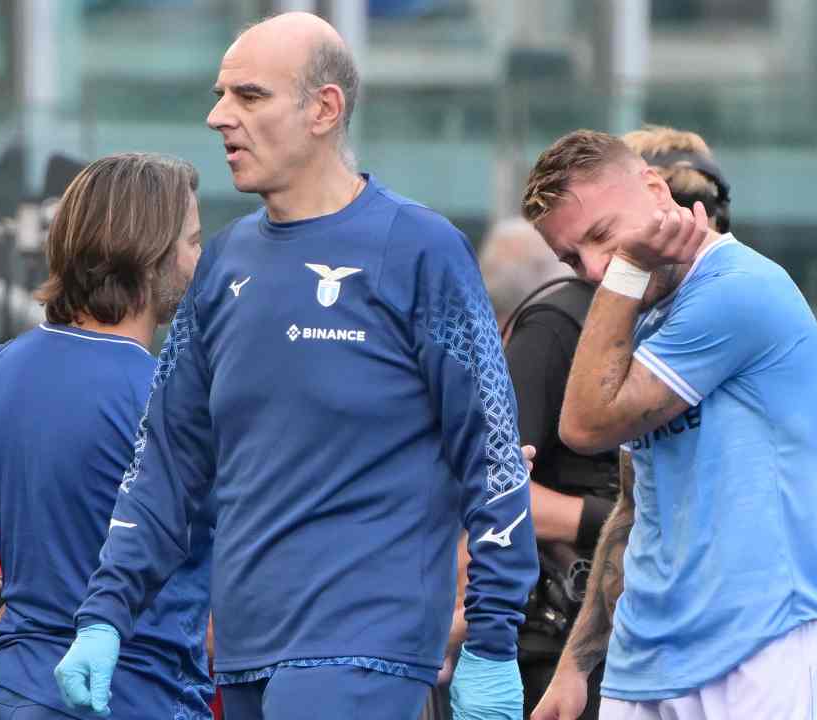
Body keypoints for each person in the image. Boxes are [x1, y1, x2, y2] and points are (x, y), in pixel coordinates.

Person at [53, 13, 537, 720]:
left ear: (324, 109)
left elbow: (490, 452)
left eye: (250, 96)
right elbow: (166, 462)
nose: (220, 116)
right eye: (221, 95)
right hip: (243, 655)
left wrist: (493, 641)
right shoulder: (223, 261)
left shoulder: (420, 250)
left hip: (366, 647)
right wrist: (104, 614)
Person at [520, 129, 817, 720]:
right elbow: (634, 507)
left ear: (654, 190)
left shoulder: (739, 288)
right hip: (643, 662)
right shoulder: (643, 314)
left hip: (758, 646)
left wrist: (627, 272)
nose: (593, 269)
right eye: (570, 258)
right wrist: (575, 666)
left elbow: (584, 426)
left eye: (601, 236)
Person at [0, 153, 213, 719]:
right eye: (194, 242)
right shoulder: (169, 400)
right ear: (151, 255)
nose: (200, 261)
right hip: (134, 695)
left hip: (19, 688)